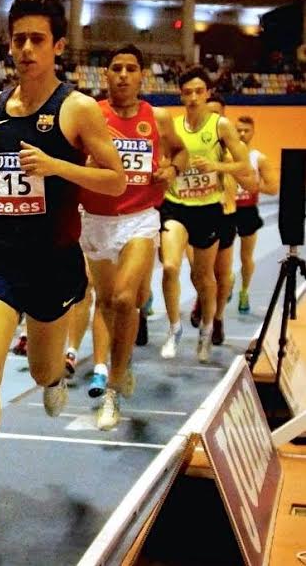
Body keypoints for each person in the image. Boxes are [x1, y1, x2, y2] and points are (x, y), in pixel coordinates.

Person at [0, 0, 125, 536]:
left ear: (58, 47)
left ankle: (56, 377)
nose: (25, 49)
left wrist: (57, 166)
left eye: (36, 40)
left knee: (45, 371)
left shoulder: (77, 110)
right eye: (18, 39)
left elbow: (117, 179)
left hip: (52, 263)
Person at [79, 44, 187, 429]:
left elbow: (180, 152)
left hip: (140, 218)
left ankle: (113, 386)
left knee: (126, 298)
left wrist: (172, 169)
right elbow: (71, 160)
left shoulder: (156, 117)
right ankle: (114, 368)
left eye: (130, 69)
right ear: (105, 75)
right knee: (106, 302)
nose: (123, 75)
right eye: (116, 69)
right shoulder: (90, 116)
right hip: (95, 219)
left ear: (143, 76)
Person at [159, 67, 252, 363]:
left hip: (209, 209)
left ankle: (207, 329)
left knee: (203, 277)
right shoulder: (172, 126)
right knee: (170, 267)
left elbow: (244, 165)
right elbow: (164, 159)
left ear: (208, 93)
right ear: (181, 95)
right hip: (176, 205)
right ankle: (174, 328)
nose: (194, 97)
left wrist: (217, 167)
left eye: (199, 91)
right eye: (188, 92)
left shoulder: (220, 125)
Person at [234, 115, 279, 314]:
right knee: (218, 258)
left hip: (247, 210)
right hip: (224, 209)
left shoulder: (258, 158)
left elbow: (273, 188)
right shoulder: (224, 155)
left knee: (246, 257)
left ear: (253, 132)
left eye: (246, 130)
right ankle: (226, 282)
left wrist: (252, 185)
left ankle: (244, 291)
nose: (242, 134)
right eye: (239, 130)